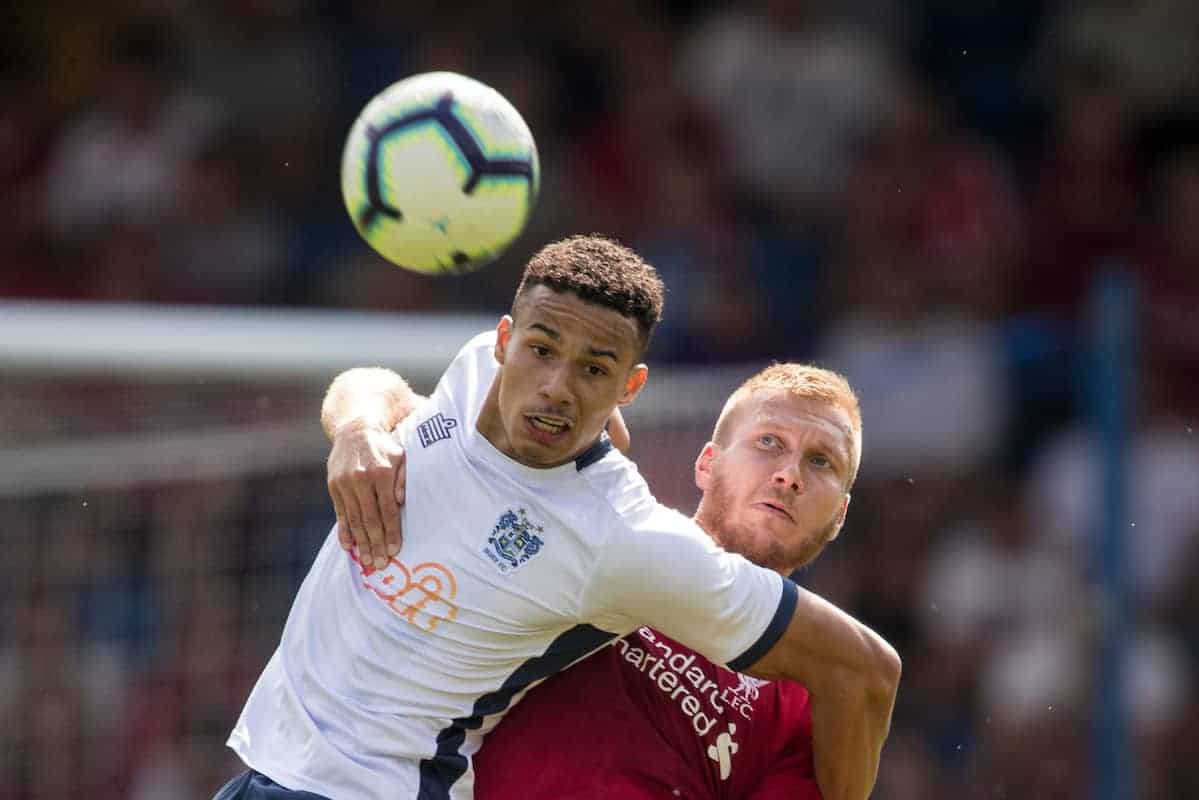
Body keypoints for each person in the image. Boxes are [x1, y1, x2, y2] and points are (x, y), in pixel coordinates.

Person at [218, 235, 899, 800]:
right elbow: (375, 384)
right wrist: (357, 428)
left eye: (595, 371)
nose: (556, 386)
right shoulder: (469, 375)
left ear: (628, 388)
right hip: (263, 769)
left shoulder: (623, 540)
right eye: (542, 351)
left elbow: (866, 670)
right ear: (504, 342)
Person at [328, 362, 869, 799]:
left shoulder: (816, 689)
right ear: (707, 463)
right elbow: (382, 390)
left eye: (821, 461)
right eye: (770, 442)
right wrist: (359, 429)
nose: (790, 475)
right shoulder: (599, 535)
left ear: (840, 516)